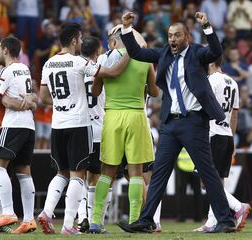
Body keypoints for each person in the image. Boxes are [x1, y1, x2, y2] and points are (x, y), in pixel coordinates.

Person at [117, 11, 236, 233]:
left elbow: (216, 51)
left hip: (193, 122)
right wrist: (126, 28)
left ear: (187, 37)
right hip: (170, 124)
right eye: (170, 35)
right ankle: (146, 220)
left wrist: (207, 26)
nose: (172, 39)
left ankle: (226, 220)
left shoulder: (198, 53)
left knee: (207, 171)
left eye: (177, 35)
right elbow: (135, 53)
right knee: (159, 172)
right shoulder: (164, 55)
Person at [37, 23, 125, 235]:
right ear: (75, 40)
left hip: (57, 123)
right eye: (80, 38)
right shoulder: (79, 62)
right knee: (78, 176)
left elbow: (43, 97)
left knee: (61, 173)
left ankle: (47, 212)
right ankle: (68, 225)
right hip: (78, 124)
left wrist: (61, 104)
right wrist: (129, 53)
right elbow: (111, 73)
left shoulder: (48, 64)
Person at [88, 25, 157, 234]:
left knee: (107, 171)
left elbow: (96, 90)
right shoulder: (143, 58)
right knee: (136, 172)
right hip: (136, 115)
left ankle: (96, 221)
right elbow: (154, 91)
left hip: (112, 116)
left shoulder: (104, 59)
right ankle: (135, 220)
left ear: (112, 41)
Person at [0, 54, 36, 234]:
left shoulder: (9, 79)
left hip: (7, 133)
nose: (0, 54)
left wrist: (30, 98)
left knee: (2, 179)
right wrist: (27, 102)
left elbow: (28, 96)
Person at [194, 56, 251, 232]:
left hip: (212, 134)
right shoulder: (233, 82)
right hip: (226, 135)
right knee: (218, 180)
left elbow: (202, 106)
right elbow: (234, 115)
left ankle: (237, 206)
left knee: (207, 182)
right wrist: (232, 139)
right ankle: (212, 222)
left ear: (211, 63)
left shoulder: (211, 80)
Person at [76, 36, 104, 233]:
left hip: (79, 129)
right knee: (95, 178)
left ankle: (81, 218)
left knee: (79, 177)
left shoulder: (76, 71)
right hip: (99, 130)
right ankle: (94, 220)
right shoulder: (101, 72)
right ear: (98, 52)